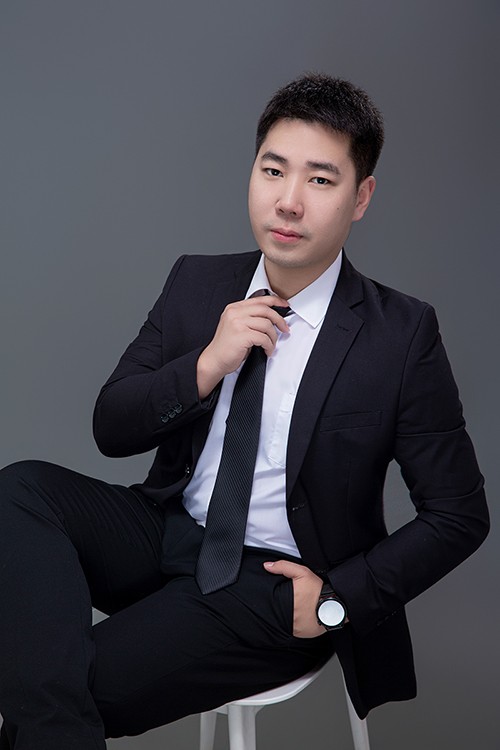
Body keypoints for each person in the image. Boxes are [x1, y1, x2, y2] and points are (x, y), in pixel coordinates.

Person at [0, 73, 489, 749]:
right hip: (169, 530)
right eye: (273, 170)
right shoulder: (197, 282)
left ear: (360, 197)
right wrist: (206, 364)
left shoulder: (400, 335)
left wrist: (336, 599)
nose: (288, 201)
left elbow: (460, 515)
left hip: (271, 583)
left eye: (320, 179)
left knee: (52, 687)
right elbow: (111, 427)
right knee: (20, 490)